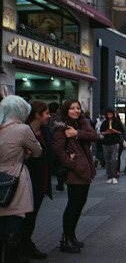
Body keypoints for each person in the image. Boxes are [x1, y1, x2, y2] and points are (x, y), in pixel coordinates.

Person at [52, 99, 97, 254]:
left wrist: (77, 133)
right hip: (75, 172)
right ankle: (66, 239)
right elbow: (58, 149)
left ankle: (72, 235)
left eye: (78, 108)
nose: (76, 111)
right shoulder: (61, 127)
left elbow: (94, 136)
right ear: (66, 110)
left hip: (85, 170)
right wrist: (73, 165)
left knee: (80, 204)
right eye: (72, 109)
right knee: (73, 205)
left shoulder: (82, 123)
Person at [0, 96, 42, 262]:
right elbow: (37, 151)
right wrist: (25, 154)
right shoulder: (22, 129)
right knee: (14, 222)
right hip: (14, 179)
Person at [22, 101, 55, 260]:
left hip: (43, 180)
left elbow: (50, 151)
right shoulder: (24, 131)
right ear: (37, 114)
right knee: (25, 218)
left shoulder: (45, 131)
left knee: (32, 217)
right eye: (47, 113)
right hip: (27, 182)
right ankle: (22, 247)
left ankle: (27, 244)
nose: (49, 116)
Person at [99, 108, 123, 184]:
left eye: (111, 114)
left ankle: (114, 175)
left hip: (115, 142)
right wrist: (106, 132)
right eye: (108, 114)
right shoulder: (104, 123)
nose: (109, 116)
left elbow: (121, 132)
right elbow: (101, 132)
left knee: (114, 159)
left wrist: (114, 131)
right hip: (106, 143)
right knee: (107, 159)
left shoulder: (117, 122)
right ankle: (109, 175)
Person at [49, 102, 66, 192]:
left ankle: (47, 185)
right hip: (59, 144)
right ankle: (60, 185)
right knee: (60, 164)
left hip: (49, 144)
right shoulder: (59, 119)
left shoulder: (47, 119)